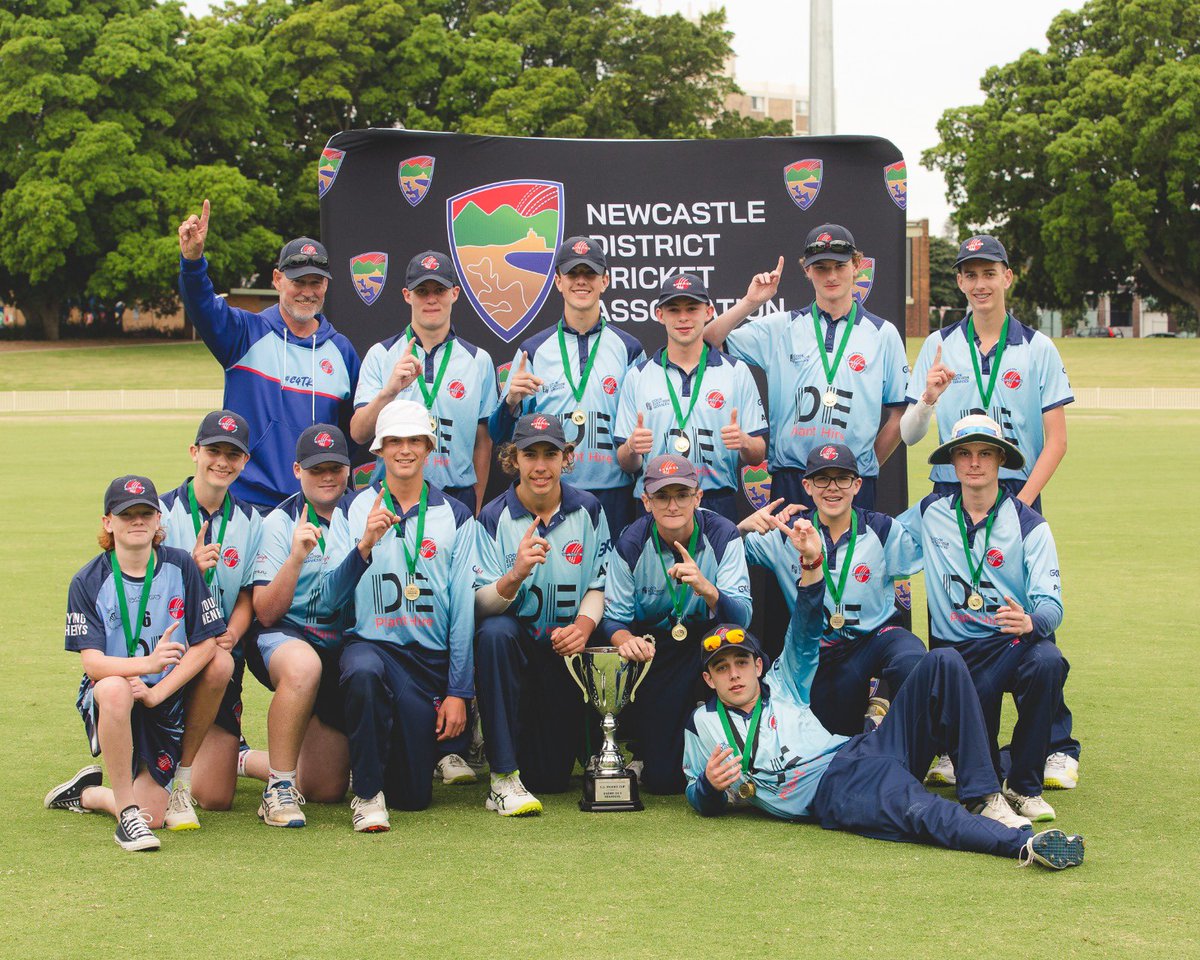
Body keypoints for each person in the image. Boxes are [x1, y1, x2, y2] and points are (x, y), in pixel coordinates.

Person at [681, 518, 1085, 870]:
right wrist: (709, 788)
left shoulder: (783, 682)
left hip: (863, 749)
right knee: (923, 813)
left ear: (757, 666)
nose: (733, 675)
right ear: (708, 678)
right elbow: (697, 795)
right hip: (834, 789)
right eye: (721, 668)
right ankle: (1026, 845)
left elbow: (805, 627)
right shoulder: (703, 723)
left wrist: (811, 564)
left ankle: (982, 793)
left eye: (740, 663)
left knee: (942, 660)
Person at [901, 234, 1079, 790]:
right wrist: (928, 397)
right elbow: (910, 435)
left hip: (1015, 494)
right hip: (950, 498)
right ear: (959, 282)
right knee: (952, 625)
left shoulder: (1036, 348)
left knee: (1028, 626)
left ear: (1008, 277)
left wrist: (1015, 507)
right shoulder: (937, 344)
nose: (980, 284)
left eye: (989, 272)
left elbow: (1055, 441)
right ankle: (953, 746)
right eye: (969, 274)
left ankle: (1053, 744)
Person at [898, 415, 1069, 823]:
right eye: (965, 454)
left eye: (985, 453)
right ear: (953, 464)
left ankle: (1024, 786)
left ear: (1000, 461)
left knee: (1048, 662)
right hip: (955, 650)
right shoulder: (928, 512)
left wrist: (1030, 621)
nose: (975, 463)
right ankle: (986, 777)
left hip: (1009, 642)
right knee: (978, 770)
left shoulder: (1030, 524)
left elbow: (1052, 604)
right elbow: (878, 545)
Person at [45, 476, 227, 852]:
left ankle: (91, 793)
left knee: (221, 663)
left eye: (146, 512)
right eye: (127, 514)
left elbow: (207, 641)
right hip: (115, 692)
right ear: (108, 522)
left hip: (163, 693)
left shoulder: (180, 566)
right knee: (111, 687)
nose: (137, 521)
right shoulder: (88, 580)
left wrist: (158, 690)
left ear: (159, 521)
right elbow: (94, 665)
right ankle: (126, 814)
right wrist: (147, 664)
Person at [323, 399, 476, 832]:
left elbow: (463, 609)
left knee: (413, 798)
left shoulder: (456, 515)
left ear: (429, 448)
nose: (404, 450)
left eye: (414, 440)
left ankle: (382, 768)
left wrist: (458, 691)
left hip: (426, 664)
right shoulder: (353, 509)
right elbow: (331, 598)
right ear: (380, 449)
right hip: (371, 645)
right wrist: (364, 546)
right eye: (394, 441)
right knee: (363, 672)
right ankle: (367, 796)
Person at [701, 223, 908, 511]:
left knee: (852, 557)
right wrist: (751, 302)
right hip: (792, 477)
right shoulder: (782, 327)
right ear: (807, 271)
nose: (831, 275)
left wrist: (864, 465)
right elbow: (708, 341)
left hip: (851, 480)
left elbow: (899, 414)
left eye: (839, 265)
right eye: (821, 267)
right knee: (790, 557)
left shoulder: (883, 333)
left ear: (857, 265)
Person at [177, 200, 361, 510]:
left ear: (326, 285)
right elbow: (202, 305)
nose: (307, 291)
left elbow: (353, 435)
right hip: (249, 505)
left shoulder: (341, 350)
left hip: (315, 507)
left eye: (315, 282)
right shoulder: (245, 333)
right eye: (297, 281)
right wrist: (193, 261)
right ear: (277, 279)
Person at [473, 413, 612, 815]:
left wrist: (583, 627)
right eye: (529, 454)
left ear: (566, 458)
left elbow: (598, 585)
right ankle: (501, 776)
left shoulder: (589, 510)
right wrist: (514, 576)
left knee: (550, 778)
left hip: (564, 652)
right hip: (515, 652)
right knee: (495, 631)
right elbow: (479, 605)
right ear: (512, 459)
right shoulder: (493, 516)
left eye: (550, 454)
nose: (539, 466)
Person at [738, 443, 925, 735]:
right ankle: (867, 725)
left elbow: (935, 550)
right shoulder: (787, 534)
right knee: (839, 737)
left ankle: (905, 742)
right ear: (807, 486)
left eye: (842, 478)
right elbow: (723, 555)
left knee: (913, 660)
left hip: (875, 638)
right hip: (822, 651)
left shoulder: (884, 529)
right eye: (823, 479)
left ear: (857, 484)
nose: (832, 488)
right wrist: (743, 528)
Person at [601, 454, 752, 794]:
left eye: (682, 495)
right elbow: (614, 619)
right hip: (659, 648)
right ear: (646, 501)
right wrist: (626, 640)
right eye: (662, 496)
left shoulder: (723, 534)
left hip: (711, 641)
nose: (673, 505)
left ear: (698, 497)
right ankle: (652, 748)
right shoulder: (630, 544)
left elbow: (742, 618)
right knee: (663, 781)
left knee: (730, 638)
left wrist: (706, 588)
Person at [490, 236, 646, 533]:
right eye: (573, 274)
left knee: (611, 580)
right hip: (552, 492)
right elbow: (499, 436)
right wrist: (511, 401)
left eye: (590, 274)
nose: (581, 281)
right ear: (558, 282)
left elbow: (640, 434)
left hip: (615, 493)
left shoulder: (630, 349)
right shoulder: (533, 350)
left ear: (605, 281)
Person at [244, 424, 356, 827]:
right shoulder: (276, 524)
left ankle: (248, 759)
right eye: (316, 469)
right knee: (304, 666)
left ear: (348, 469)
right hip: (286, 636)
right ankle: (278, 788)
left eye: (335, 467)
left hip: (338, 644)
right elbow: (266, 612)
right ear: (296, 470)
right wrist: (295, 559)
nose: (327, 477)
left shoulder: (358, 515)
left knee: (326, 789)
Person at [157, 411, 262, 828]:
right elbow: (143, 596)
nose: (222, 462)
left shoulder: (252, 521)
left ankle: (230, 755)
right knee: (151, 796)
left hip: (218, 658)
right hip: (166, 656)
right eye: (213, 451)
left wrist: (232, 635)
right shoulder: (160, 513)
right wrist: (190, 573)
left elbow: (249, 593)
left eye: (232, 454)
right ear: (194, 452)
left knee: (216, 799)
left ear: (245, 461)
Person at [350, 251, 497, 514]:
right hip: (393, 497)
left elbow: (482, 441)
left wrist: (475, 500)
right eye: (422, 291)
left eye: (439, 290)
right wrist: (389, 392)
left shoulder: (479, 360)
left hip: (456, 496)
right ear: (408, 295)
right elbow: (359, 433)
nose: (431, 299)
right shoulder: (381, 354)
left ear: (455, 293)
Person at [615, 274, 767, 522]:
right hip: (658, 499)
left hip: (716, 499)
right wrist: (631, 448)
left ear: (708, 312)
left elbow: (757, 454)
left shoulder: (736, 372)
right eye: (674, 310)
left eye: (692, 309)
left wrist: (744, 442)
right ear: (660, 315)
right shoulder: (638, 376)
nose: (683, 318)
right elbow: (626, 464)